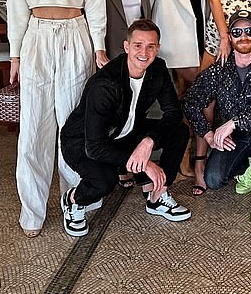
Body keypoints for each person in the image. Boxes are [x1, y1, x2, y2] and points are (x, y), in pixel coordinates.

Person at [7, 0, 108, 237]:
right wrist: (15, 55)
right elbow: (17, 8)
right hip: (37, 37)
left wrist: (100, 48)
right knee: (34, 126)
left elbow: (96, 9)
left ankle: (76, 198)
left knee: (72, 121)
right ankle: (32, 209)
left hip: (75, 36)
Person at [60, 20, 191, 237]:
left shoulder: (157, 68)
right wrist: (146, 164)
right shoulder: (105, 84)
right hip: (82, 142)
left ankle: (157, 196)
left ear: (157, 48)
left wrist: (148, 141)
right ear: (126, 46)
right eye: (138, 45)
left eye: (151, 46)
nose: (144, 52)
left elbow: (173, 113)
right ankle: (73, 200)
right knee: (104, 182)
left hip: (125, 132)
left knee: (179, 131)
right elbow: (95, 147)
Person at [183, 10, 251, 224]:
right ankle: (248, 165)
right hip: (235, 139)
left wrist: (233, 122)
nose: (243, 36)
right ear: (229, 37)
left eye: (249, 31)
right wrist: (208, 134)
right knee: (213, 180)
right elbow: (191, 102)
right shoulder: (219, 69)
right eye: (237, 32)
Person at [141, 0, 210, 191]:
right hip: (173, 38)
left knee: (191, 96)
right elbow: (147, 2)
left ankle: (192, 153)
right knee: (188, 95)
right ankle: (188, 154)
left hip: (202, 36)